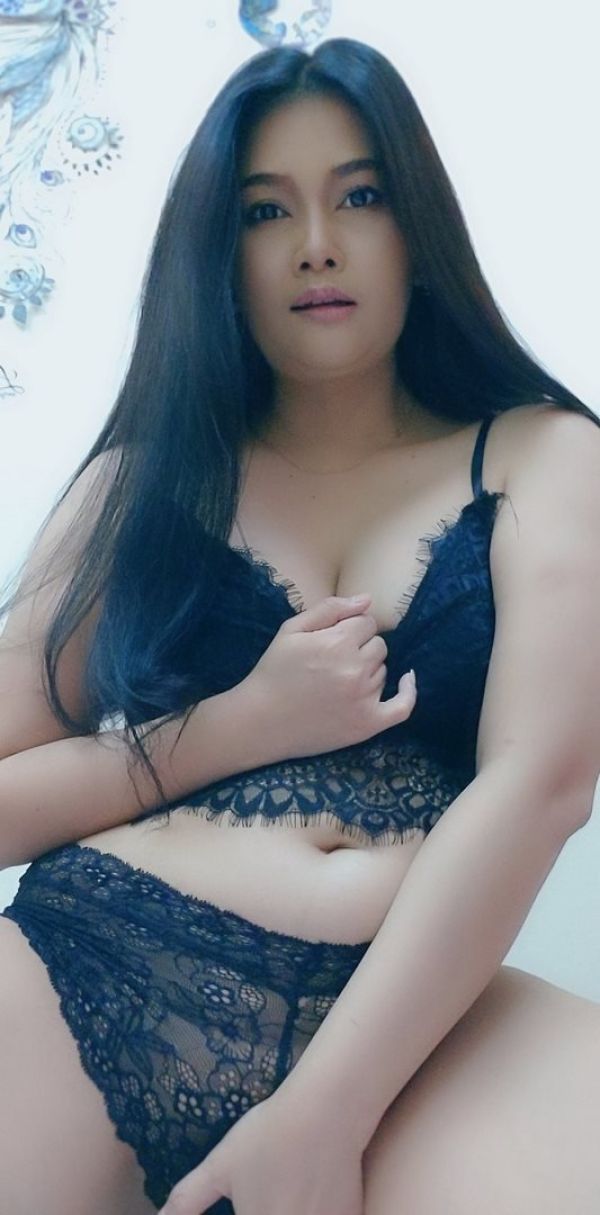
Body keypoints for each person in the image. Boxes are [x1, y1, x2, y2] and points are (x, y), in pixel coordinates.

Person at [0, 36, 599, 1215]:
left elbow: (544, 786)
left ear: (417, 227)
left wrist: (326, 1111)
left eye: (360, 196)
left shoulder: (546, 456)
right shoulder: (141, 482)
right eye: (266, 211)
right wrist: (234, 729)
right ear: (219, 254)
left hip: (425, 1023)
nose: (316, 242)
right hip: (103, 959)